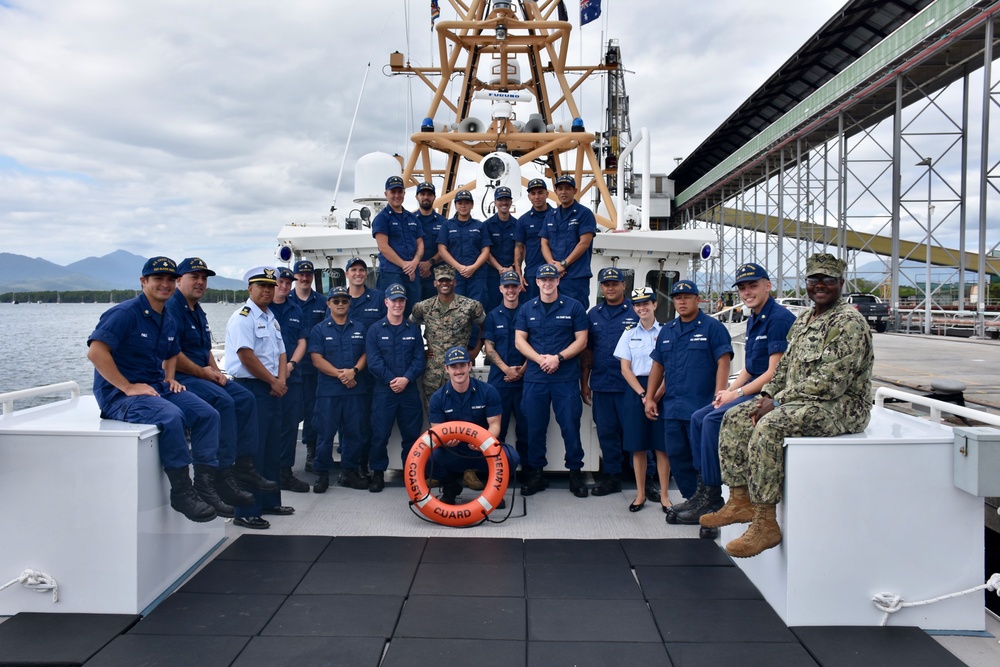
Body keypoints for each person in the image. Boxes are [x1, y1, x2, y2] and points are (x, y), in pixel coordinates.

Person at [701, 253, 874, 558]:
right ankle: (740, 501)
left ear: (840, 283)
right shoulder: (806, 319)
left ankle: (766, 522)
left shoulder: (848, 322)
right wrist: (767, 395)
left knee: (769, 425)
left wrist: (778, 403)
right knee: (737, 416)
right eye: (814, 280)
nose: (820, 285)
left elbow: (831, 381)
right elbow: (783, 369)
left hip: (843, 406)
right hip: (804, 400)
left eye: (827, 280)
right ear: (807, 284)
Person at [87, 256, 221, 523]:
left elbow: (171, 352)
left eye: (170, 279)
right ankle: (182, 491)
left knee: (208, 414)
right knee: (171, 416)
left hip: (157, 386)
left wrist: (170, 378)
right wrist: (126, 386)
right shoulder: (124, 314)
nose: (165, 284)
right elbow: (96, 352)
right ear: (143, 281)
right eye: (158, 279)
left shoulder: (167, 316)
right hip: (120, 396)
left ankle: (205, 483)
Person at [668, 263, 795, 525]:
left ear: (768, 286)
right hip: (753, 387)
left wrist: (736, 393)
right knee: (698, 417)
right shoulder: (755, 318)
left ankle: (714, 494)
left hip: (772, 395)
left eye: (753, 286)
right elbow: (750, 367)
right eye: (743, 288)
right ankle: (704, 491)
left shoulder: (779, 319)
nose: (747, 292)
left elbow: (773, 372)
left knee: (713, 420)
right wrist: (727, 391)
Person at [165, 257, 272, 517]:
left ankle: (243, 465)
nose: (200, 282)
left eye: (204, 278)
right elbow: (172, 352)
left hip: (202, 373)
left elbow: (203, 349)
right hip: (184, 376)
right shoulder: (172, 309)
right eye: (194, 277)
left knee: (245, 398)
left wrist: (214, 370)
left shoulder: (197, 310)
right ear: (179, 280)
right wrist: (204, 372)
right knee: (222, 402)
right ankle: (219, 475)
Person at [643, 280, 733, 510]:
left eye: (687, 297)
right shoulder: (668, 331)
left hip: (701, 407)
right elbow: (658, 367)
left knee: (701, 458)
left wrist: (719, 397)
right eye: (677, 298)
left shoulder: (712, 328)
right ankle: (692, 499)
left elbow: (723, 362)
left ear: (697, 299)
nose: (682, 301)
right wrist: (651, 397)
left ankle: (709, 500)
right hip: (672, 408)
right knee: (677, 456)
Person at [225, 266, 294, 529]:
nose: (267, 290)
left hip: (272, 389)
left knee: (271, 447)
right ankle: (246, 510)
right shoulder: (243, 318)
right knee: (251, 451)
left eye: (270, 285)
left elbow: (281, 354)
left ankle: (268, 501)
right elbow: (246, 356)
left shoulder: (270, 317)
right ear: (249, 289)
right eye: (261, 286)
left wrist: (281, 381)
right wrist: (273, 381)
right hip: (250, 388)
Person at [515, 263, 590, 498]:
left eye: (551, 279)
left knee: (570, 425)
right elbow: (520, 341)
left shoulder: (574, 307)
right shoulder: (527, 308)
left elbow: (582, 341)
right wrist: (540, 359)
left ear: (558, 281)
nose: (547, 283)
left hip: (565, 377)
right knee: (534, 427)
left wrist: (558, 358)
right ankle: (537, 473)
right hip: (536, 379)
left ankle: (575, 473)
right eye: (543, 279)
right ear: (536, 282)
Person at [428, 346, 520, 506]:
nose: (458, 371)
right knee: (427, 458)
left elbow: (495, 425)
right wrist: (445, 441)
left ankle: (494, 491)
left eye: (462, 365)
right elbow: (436, 431)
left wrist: (482, 442)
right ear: (446, 369)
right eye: (454, 367)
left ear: (469, 366)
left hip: (482, 450)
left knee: (512, 457)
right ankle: (450, 488)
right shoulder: (438, 398)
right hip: (454, 451)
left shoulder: (488, 391)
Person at [580, 267, 638, 496]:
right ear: (601, 287)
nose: (611, 287)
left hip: (631, 386)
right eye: (606, 284)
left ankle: (647, 477)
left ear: (624, 285)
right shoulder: (593, 314)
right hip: (602, 384)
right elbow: (588, 352)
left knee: (635, 432)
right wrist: (585, 383)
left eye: (615, 283)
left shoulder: (636, 312)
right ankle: (612, 477)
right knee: (607, 432)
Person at [365, 283, 426, 492]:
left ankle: (412, 474)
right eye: (394, 300)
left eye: (401, 300)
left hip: (408, 391)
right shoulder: (374, 330)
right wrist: (393, 380)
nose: (397, 304)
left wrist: (406, 379)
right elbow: (373, 362)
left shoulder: (414, 330)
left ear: (405, 303)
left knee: (411, 436)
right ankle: (378, 474)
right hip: (384, 391)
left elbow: (420, 359)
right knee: (380, 435)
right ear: (386, 302)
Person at [309, 286, 368, 493]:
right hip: (329, 392)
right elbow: (316, 359)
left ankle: (348, 473)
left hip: (354, 391)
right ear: (328, 304)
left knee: (354, 434)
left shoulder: (360, 327)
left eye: (344, 301)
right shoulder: (319, 329)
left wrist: (354, 370)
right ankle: (322, 474)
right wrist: (342, 375)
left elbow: (366, 354)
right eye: (336, 301)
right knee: (325, 434)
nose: (340, 304)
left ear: (349, 303)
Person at [614, 287, 668, 512]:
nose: (642, 308)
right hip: (637, 390)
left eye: (646, 303)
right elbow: (625, 369)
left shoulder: (666, 332)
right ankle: (640, 494)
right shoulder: (628, 333)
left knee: (661, 447)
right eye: (637, 304)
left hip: (662, 391)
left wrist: (655, 395)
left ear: (655, 305)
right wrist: (644, 395)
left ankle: (664, 496)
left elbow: (669, 368)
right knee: (637, 446)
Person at [410, 264, 486, 412]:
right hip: (434, 373)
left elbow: (485, 327)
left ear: (454, 282)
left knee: (463, 414)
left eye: (448, 280)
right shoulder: (423, 307)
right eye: (441, 280)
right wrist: (420, 350)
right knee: (435, 415)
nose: (445, 283)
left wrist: (476, 350)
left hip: (460, 372)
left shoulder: (470, 306)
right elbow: (410, 327)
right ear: (435, 283)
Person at [482, 270, 529, 472]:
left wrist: (522, 370)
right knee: (496, 432)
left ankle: (528, 472)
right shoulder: (492, 315)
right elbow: (488, 347)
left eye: (514, 286)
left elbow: (535, 344)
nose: (510, 290)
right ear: (500, 288)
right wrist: (506, 370)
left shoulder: (528, 312)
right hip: (498, 383)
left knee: (526, 431)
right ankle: (497, 473)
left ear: (520, 288)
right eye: (506, 286)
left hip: (525, 382)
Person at [270, 266, 310, 492]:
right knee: (267, 425)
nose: (284, 286)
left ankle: (285, 472)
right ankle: (266, 470)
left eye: (287, 282)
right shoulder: (261, 309)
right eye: (280, 282)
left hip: (292, 377)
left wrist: (292, 364)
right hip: (266, 377)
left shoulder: (296, 310)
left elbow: (302, 341)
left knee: (289, 425)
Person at [346, 256, 386, 478]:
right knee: (350, 422)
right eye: (354, 270)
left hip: (373, 370)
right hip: (347, 372)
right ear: (347, 274)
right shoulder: (340, 299)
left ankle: (364, 463)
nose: (359, 273)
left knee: (371, 421)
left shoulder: (378, 298)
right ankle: (349, 465)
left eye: (362, 269)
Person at [288, 259, 327, 473]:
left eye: (308, 274)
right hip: (290, 369)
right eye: (300, 274)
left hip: (314, 369)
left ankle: (311, 452)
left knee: (314, 414)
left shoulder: (323, 302)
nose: (304, 278)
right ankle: (285, 458)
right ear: (295, 277)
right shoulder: (285, 300)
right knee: (291, 413)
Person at [540, 174, 596, 307]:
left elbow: (584, 243)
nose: (563, 192)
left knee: (576, 316)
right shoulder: (550, 216)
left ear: (575, 191)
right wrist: (553, 266)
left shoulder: (584, 214)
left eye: (567, 188)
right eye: (560, 189)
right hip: (554, 277)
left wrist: (564, 264)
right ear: (556, 191)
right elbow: (544, 242)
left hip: (576, 277)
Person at [372, 175, 423, 315]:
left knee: (414, 313)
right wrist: (406, 266)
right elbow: (383, 247)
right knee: (392, 312)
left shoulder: (412, 218)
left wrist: (415, 263)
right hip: (391, 274)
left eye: (399, 192)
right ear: (386, 194)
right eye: (393, 192)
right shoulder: (382, 219)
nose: (396, 195)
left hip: (412, 273)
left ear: (404, 193)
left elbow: (420, 243)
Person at [437, 189, 492, 307]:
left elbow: (486, 250)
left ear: (472, 205)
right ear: (455, 205)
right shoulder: (447, 225)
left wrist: (473, 267)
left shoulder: (479, 225)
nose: (463, 206)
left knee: (477, 308)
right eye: (460, 203)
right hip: (455, 275)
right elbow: (442, 249)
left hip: (477, 274)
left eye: (466, 203)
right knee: (456, 308)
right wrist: (459, 267)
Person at [515, 178, 552, 302]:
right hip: (532, 274)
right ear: (529, 196)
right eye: (533, 193)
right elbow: (519, 247)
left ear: (547, 194)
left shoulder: (557, 216)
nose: (537, 197)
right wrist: (518, 274)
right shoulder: (523, 220)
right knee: (532, 310)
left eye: (540, 192)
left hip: (556, 272)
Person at [484, 186, 520, 313]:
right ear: (495, 202)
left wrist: (513, 266)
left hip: (513, 273)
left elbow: (521, 248)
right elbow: (486, 251)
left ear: (511, 202)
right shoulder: (487, 225)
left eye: (506, 199)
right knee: (492, 308)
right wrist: (500, 269)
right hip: (492, 274)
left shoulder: (518, 224)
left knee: (513, 306)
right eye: (500, 200)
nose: (504, 203)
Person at [414, 182, 447, 299]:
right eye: (422, 194)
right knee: (414, 311)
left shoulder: (444, 222)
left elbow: (446, 249)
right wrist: (420, 267)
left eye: (429, 194)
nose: (426, 197)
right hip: (414, 274)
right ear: (416, 197)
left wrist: (429, 263)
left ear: (434, 197)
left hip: (437, 276)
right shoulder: (409, 220)